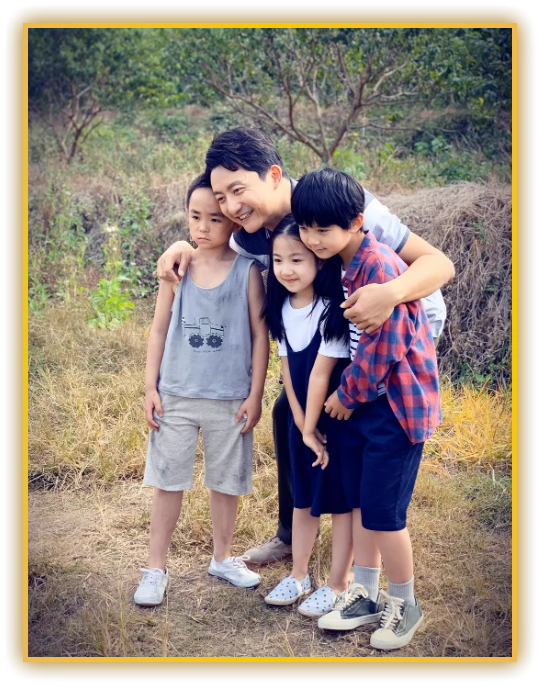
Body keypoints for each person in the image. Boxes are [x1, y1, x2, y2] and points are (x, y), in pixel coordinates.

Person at [156, 128, 454, 565]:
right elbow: (210, 242)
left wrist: (390, 294)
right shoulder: (246, 233)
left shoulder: (335, 203)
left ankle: (364, 536)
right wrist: (180, 246)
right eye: (221, 198)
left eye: (238, 190)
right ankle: (293, 533)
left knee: (354, 421)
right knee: (289, 414)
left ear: (274, 176)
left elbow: (438, 263)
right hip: (337, 329)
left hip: (400, 326)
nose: (230, 207)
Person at [291, 168, 441, 650]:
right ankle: (367, 594)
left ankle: (406, 605)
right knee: (361, 503)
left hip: (394, 408)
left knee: (383, 514)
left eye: (323, 229)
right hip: (368, 406)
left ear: (357, 222)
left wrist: (346, 394)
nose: (312, 239)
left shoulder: (379, 266)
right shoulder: (342, 262)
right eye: (305, 227)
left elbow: (385, 347)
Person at [134, 174, 269, 607]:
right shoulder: (177, 269)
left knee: (225, 482)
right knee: (168, 480)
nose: (203, 227)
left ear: (232, 221)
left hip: (230, 398)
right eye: (195, 217)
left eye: (215, 218)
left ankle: (223, 557)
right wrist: (150, 387)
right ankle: (155, 567)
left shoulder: (248, 271)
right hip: (175, 394)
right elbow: (158, 330)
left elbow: (260, 335)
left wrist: (255, 394)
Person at [261, 217, 353, 618]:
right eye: (278, 260)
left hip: (335, 421)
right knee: (302, 498)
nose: (286, 269)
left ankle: (339, 583)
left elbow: (319, 375)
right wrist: (301, 427)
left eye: (297, 259)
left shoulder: (332, 310)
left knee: (341, 503)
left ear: (319, 259)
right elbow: (287, 372)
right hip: (304, 423)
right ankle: (299, 575)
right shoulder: (281, 308)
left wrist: (314, 428)